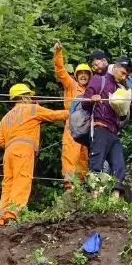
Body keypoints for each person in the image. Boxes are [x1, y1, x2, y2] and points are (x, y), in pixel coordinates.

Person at [0, 84, 69, 225]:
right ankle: (12, 215)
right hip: (23, 150)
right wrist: (73, 112)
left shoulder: (5, 118)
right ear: (23, 96)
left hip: (8, 153)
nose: (31, 98)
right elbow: (54, 115)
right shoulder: (32, 109)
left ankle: (0, 219)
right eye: (29, 96)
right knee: (22, 180)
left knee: (8, 184)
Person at [82, 55, 132, 198]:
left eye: (126, 75)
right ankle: (95, 198)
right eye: (123, 73)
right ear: (115, 67)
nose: (124, 77)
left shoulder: (120, 88)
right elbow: (84, 102)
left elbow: (123, 116)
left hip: (114, 131)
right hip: (100, 126)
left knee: (119, 166)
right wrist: (92, 99)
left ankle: (114, 198)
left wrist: (123, 109)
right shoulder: (100, 80)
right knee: (96, 163)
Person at [52, 42, 92, 188]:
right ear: (76, 75)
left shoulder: (91, 91)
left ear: (89, 76)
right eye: (80, 73)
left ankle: (81, 183)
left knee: (83, 155)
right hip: (72, 122)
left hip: (86, 125)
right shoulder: (71, 85)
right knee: (70, 151)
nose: (83, 76)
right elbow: (60, 71)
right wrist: (58, 53)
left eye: (86, 74)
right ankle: (69, 183)